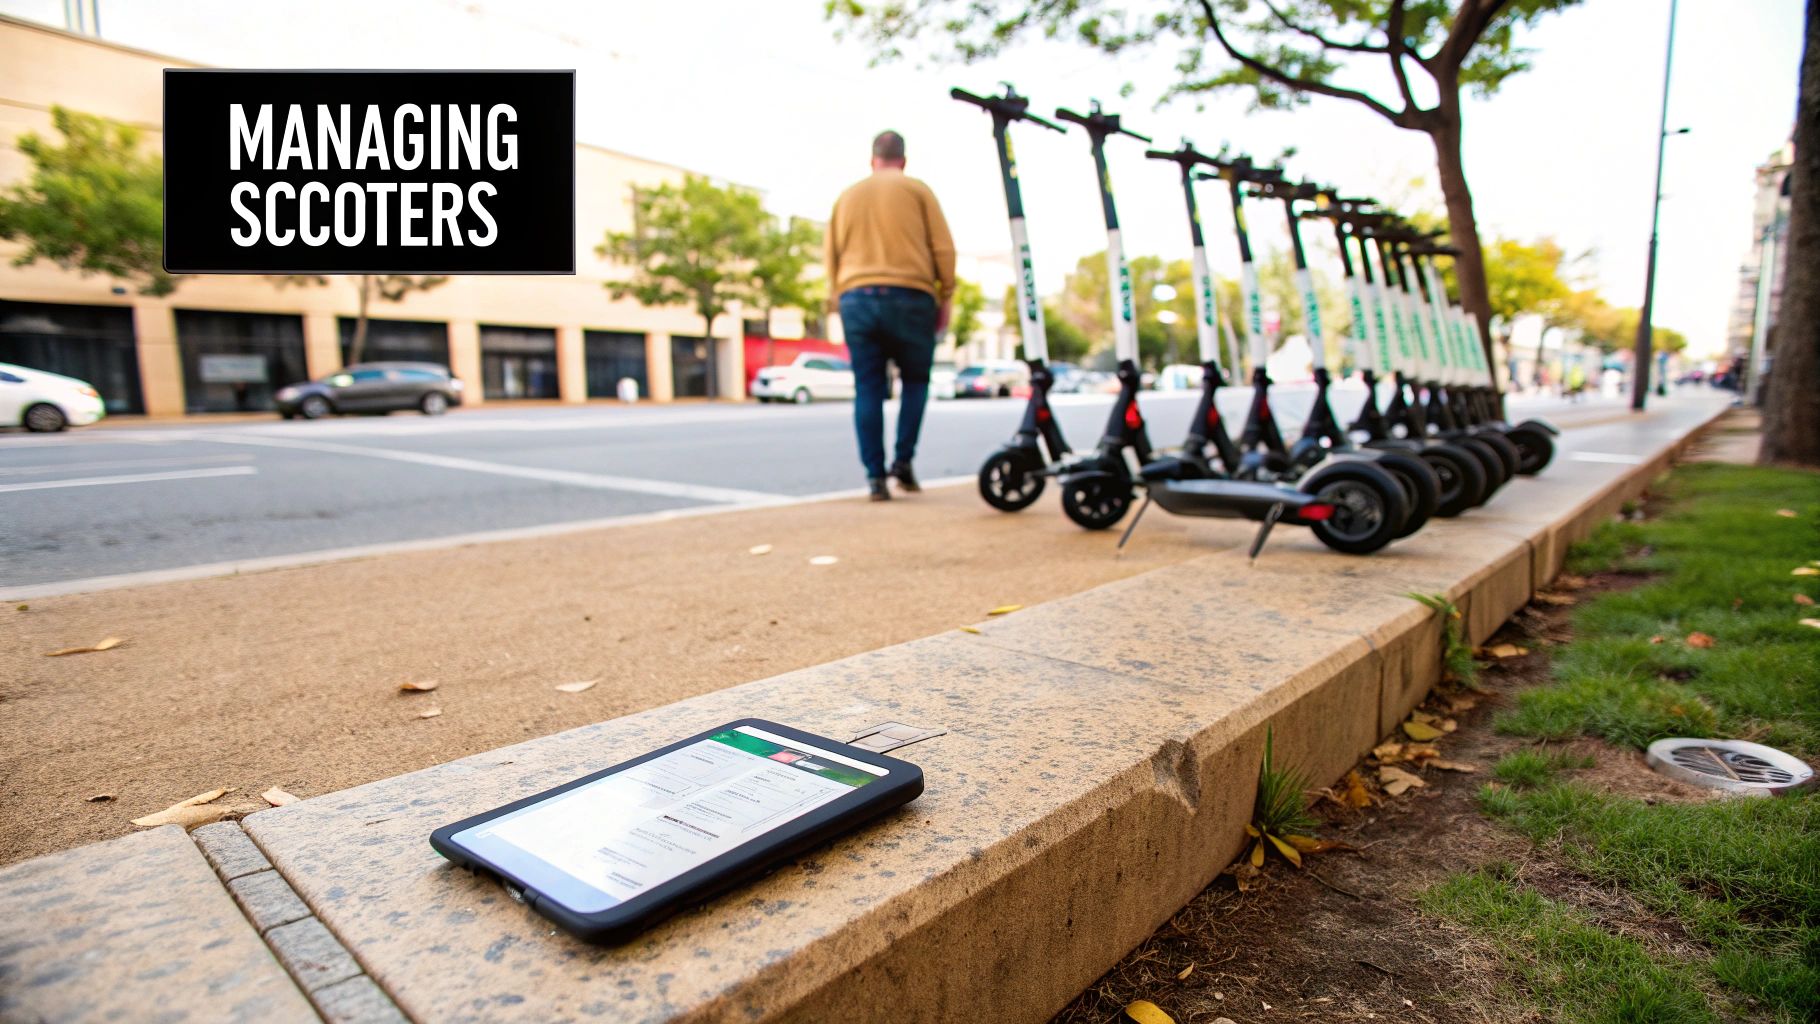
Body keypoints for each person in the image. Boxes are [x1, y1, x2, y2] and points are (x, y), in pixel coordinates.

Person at [824, 130, 956, 501]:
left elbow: (830, 255)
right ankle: (903, 462)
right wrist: (945, 294)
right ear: (904, 160)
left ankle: (874, 478)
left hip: (857, 297)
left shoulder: (847, 196)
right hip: (911, 296)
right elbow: (943, 247)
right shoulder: (917, 190)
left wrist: (838, 297)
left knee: (868, 388)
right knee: (915, 382)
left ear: (872, 160)